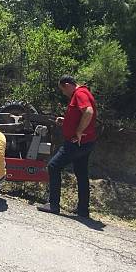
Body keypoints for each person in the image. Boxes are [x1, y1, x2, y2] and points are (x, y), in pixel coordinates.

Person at [37, 75, 97, 218]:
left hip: (76, 142)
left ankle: (53, 204)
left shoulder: (80, 93)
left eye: (63, 89)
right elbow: (81, 114)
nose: (63, 93)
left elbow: (88, 112)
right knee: (81, 173)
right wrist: (66, 121)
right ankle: (83, 210)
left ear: (68, 84)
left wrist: (79, 131)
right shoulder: (84, 93)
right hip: (87, 142)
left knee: (53, 166)